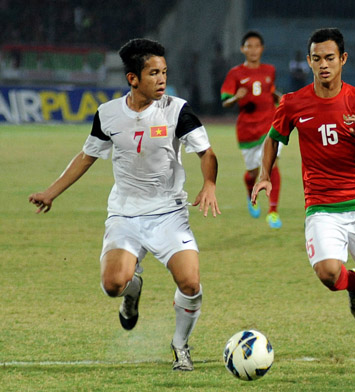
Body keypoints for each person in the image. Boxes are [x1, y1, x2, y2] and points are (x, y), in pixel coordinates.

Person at [28, 38, 220, 372]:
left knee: (190, 283)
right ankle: (133, 293)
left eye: (163, 72)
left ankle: (180, 346)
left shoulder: (177, 110)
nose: (161, 79)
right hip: (125, 215)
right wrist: (51, 192)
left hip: (169, 214)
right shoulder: (108, 115)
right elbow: (87, 156)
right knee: (113, 285)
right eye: (153, 73)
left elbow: (207, 153)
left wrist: (209, 183)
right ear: (133, 78)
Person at [252, 28, 355, 366]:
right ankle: (354, 285)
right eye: (316, 58)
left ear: (343, 59)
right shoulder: (294, 102)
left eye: (329, 58)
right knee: (328, 274)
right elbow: (273, 137)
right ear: (309, 61)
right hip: (322, 206)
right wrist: (264, 174)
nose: (323, 65)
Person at [221, 30, 283, 229]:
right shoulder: (235, 73)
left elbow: (270, 92)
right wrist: (235, 98)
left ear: (262, 49)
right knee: (253, 172)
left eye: (257, 46)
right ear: (242, 49)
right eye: (249, 46)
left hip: (270, 126)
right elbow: (225, 102)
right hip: (248, 130)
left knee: (272, 165)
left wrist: (280, 99)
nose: (253, 49)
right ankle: (250, 193)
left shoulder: (270, 70)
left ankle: (273, 211)